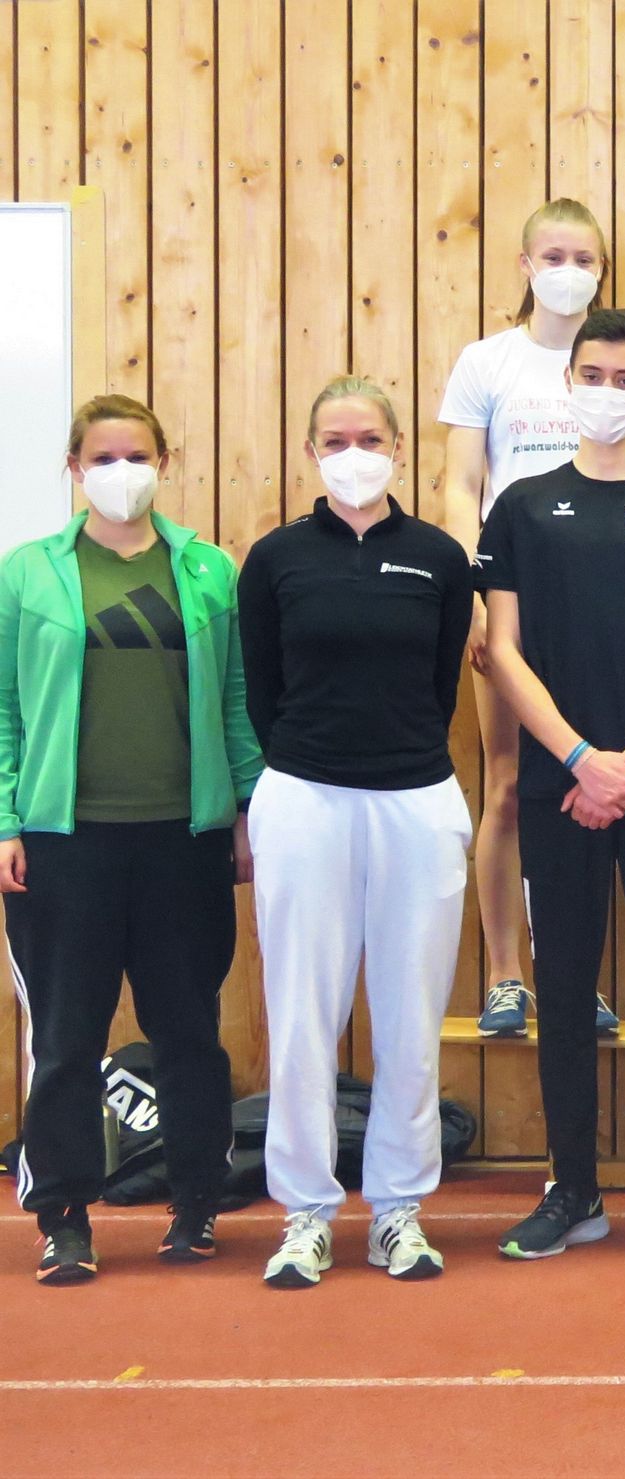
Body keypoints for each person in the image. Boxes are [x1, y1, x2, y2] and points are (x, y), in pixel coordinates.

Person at [476, 309, 625, 1261]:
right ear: (568, 382)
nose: (609, 392)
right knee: (568, 985)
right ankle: (572, 1186)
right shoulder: (522, 507)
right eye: (593, 375)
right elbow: (503, 651)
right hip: (560, 786)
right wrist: (582, 759)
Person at [2, 395, 259, 1287]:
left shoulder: (206, 569)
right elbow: (4, 706)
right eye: (103, 458)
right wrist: (6, 820)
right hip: (63, 843)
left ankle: (195, 1200)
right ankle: (64, 1215)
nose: (122, 472)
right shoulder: (29, 571)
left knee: (189, 1030)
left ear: (165, 461)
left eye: (138, 455)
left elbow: (235, 700)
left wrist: (246, 809)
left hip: (183, 840)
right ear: (74, 468)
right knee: (66, 1039)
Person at [241, 378, 477, 1288]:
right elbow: (262, 687)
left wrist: (393, 757)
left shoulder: (439, 558)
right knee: (303, 1013)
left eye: (370, 438)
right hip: (304, 797)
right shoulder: (275, 559)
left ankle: (397, 1212)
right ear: (310, 452)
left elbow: (441, 685)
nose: (354, 454)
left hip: (416, 800)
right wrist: (312, 759)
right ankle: (305, 1213)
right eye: (335, 440)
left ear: (400, 449)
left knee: (412, 1015)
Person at [442, 198, 625, 1040]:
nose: (568, 270)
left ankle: (575, 976)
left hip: (609, 611)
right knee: (509, 784)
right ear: (525, 265)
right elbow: (460, 486)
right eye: (553, 256)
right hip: (513, 600)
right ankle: (508, 973)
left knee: (606, 788)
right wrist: (474, 592)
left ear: (602, 270)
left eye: (584, 258)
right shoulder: (488, 361)